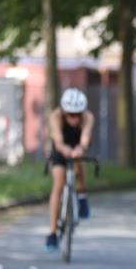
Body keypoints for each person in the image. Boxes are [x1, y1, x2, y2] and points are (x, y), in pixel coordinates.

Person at [45, 88, 95, 251]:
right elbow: (58, 139)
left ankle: (82, 195)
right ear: (64, 112)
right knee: (58, 184)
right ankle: (52, 232)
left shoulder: (88, 117)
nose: (74, 118)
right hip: (61, 148)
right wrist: (63, 148)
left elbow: (85, 137)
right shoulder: (55, 116)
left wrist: (81, 148)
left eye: (77, 115)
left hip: (77, 144)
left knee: (80, 164)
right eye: (70, 115)